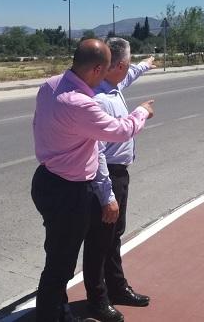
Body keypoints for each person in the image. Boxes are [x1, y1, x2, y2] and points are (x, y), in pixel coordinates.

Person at [31, 38, 155, 322]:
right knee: (61, 263)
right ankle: (52, 315)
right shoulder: (82, 104)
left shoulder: (51, 85)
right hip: (68, 189)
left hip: (48, 179)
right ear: (99, 69)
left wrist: (144, 66)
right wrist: (142, 112)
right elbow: (121, 131)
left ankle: (55, 310)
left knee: (58, 255)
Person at [83, 37, 156, 322]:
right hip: (107, 176)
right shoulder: (99, 99)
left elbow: (130, 75)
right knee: (100, 240)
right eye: (129, 64)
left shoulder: (113, 86)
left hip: (119, 174)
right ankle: (97, 300)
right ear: (120, 65)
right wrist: (107, 195)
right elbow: (96, 152)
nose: (129, 70)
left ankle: (117, 287)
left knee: (114, 236)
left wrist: (146, 65)